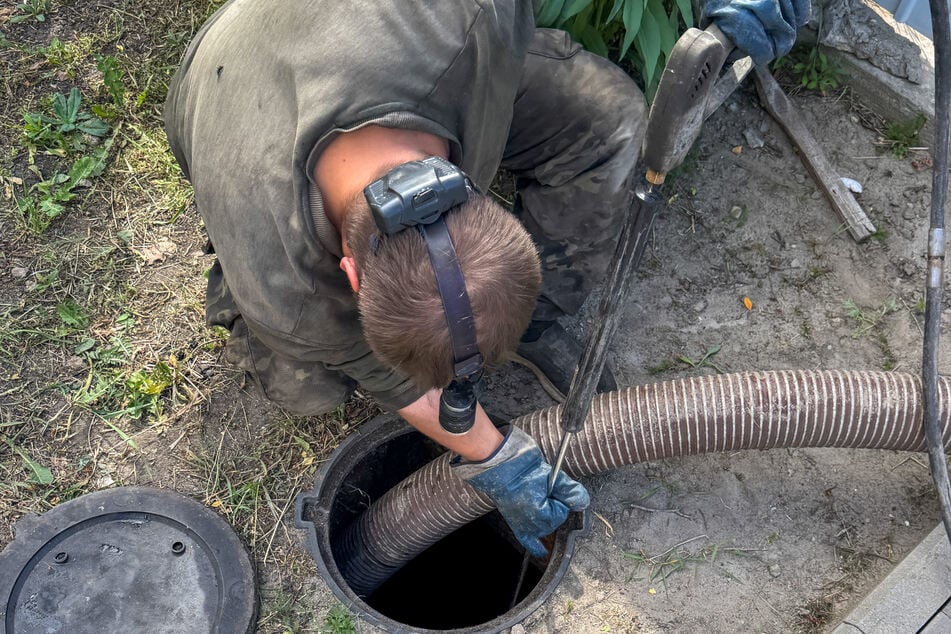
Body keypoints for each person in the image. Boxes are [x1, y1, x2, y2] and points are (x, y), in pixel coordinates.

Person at [164, 0, 808, 558]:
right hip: (223, 81)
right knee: (305, 388)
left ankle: (507, 331)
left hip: (397, 45)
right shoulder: (289, 290)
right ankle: (242, 309)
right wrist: (495, 456)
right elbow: (378, 366)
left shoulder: (471, 17)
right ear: (348, 275)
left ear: (483, 188)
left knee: (607, 123)